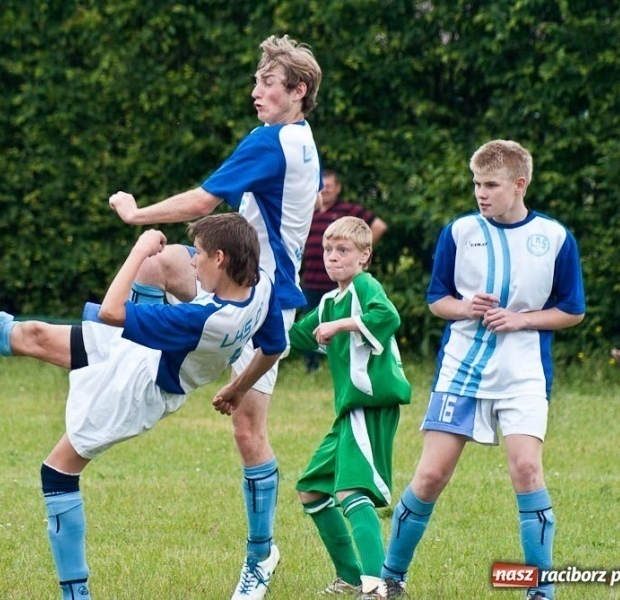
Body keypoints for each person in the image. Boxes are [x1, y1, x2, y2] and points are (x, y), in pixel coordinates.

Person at [0, 213, 288, 600]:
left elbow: (110, 311)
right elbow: (274, 346)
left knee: (57, 472)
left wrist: (140, 249)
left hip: (139, 387)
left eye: (199, 256)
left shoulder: (203, 319)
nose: (193, 263)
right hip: (149, 355)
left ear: (221, 257)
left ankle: (76, 596)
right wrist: (237, 387)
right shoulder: (262, 285)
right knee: (35, 335)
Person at [108, 34, 322, 599]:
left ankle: (260, 556)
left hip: (260, 302)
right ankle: (144, 360)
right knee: (154, 269)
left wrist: (136, 215)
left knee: (248, 429)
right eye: (256, 81)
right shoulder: (301, 140)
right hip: (240, 284)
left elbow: (204, 203)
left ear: (298, 91)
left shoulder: (272, 142)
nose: (256, 92)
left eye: (267, 84)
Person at [380, 140, 585, 600]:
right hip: (461, 373)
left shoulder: (553, 238)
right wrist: (466, 307)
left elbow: (572, 310)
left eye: (491, 184)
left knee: (528, 470)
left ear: (519, 184)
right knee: (430, 476)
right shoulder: (458, 233)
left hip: (523, 375)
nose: (481, 193)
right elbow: (437, 301)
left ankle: (541, 591)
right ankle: (390, 579)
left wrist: (522, 319)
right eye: (476, 184)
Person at [278, 216, 411, 599]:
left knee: (353, 492)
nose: (333, 258)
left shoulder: (364, 286)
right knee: (312, 489)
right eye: (328, 250)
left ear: (364, 255)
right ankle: (352, 576)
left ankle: (378, 586)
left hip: (369, 407)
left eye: (343, 250)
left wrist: (341, 327)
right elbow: (297, 335)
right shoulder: (328, 301)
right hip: (347, 414)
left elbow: (388, 316)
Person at [300, 169, 389, 373]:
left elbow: (379, 226)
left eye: (329, 187)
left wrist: (357, 251)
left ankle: (343, 361)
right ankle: (311, 365)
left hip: (339, 281)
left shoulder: (347, 211)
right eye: (321, 188)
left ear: (338, 188)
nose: (325, 191)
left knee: (342, 321)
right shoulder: (309, 212)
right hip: (313, 278)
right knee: (311, 322)